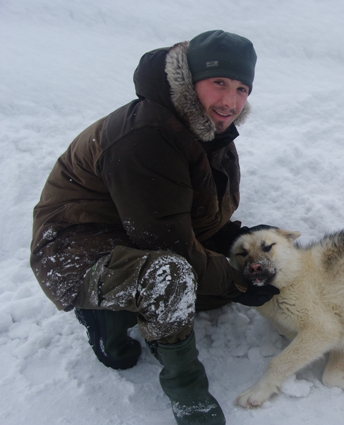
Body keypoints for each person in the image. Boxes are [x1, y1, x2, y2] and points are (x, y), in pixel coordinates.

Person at [29, 30, 279, 425]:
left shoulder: (209, 130)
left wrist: (240, 246)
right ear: (189, 79)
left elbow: (197, 218)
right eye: (219, 83)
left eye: (241, 89)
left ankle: (137, 313)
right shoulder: (146, 136)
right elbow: (174, 249)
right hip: (77, 250)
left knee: (239, 262)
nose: (231, 102)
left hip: (138, 233)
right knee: (171, 276)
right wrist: (238, 280)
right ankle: (185, 391)